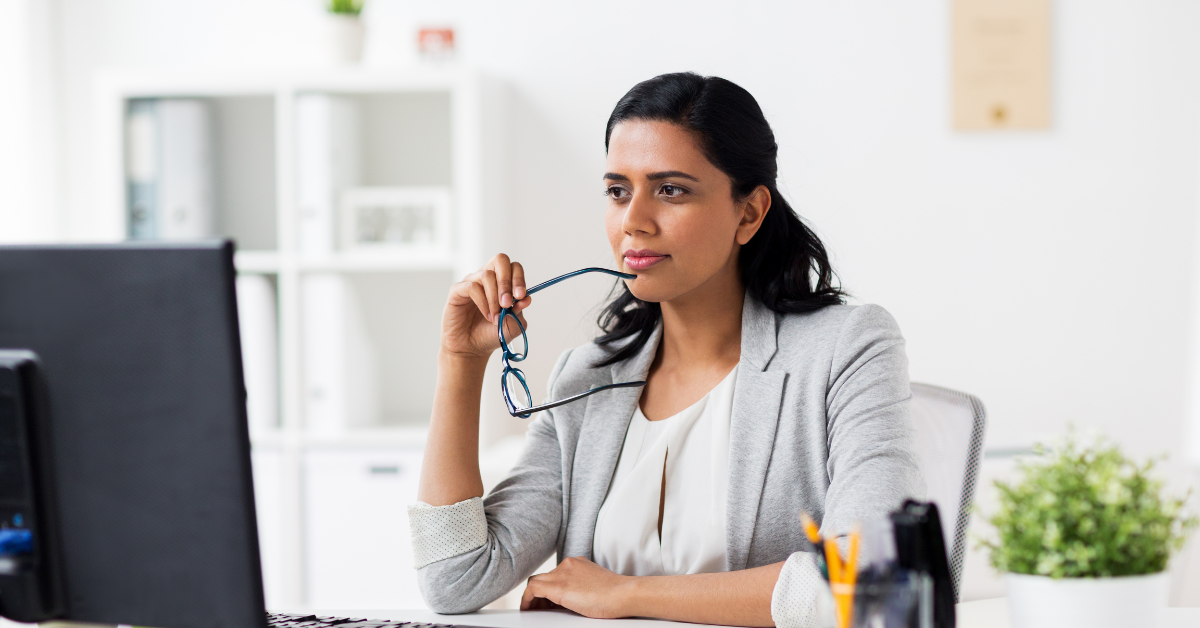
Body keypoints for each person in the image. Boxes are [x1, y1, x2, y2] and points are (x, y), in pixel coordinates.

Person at [408, 72, 924, 627]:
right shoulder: (586, 380)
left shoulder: (846, 349)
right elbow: (453, 578)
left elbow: (875, 578)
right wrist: (460, 364)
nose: (633, 222)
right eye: (617, 191)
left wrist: (626, 595)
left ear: (748, 213)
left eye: (671, 189)